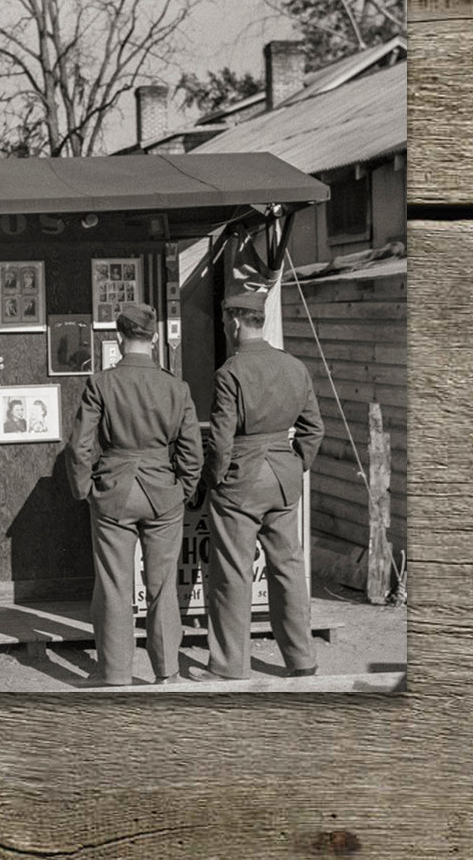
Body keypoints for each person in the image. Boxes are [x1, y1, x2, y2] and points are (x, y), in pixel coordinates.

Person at [188, 291, 325, 682]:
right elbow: (314, 429)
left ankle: (229, 666)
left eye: (225, 322)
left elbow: (221, 441)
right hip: (283, 478)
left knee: (232, 573)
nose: (225, 328)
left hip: (241, 481)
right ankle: (302, 660)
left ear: (234, 323)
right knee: (288, 568)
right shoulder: (294, 366)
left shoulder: (229, 372)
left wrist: (212, 479)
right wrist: (296, 464)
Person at [67, 302, 202, 686]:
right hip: (163, 494)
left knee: (114, 585)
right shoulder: (176, 387)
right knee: (162, 586)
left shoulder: (101, 383)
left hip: (114, 492)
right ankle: (167, 672)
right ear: (155, 339)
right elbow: (192, 452)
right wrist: (182, 490)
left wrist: (84, 489)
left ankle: (115, 674)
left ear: (118, 337)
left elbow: (79, 446)